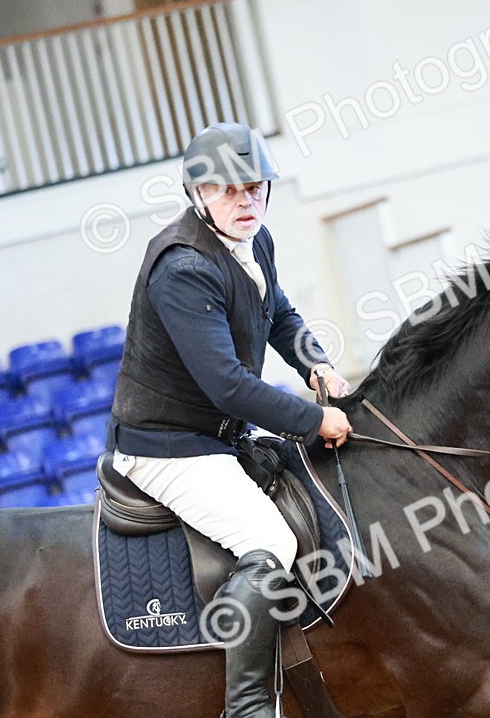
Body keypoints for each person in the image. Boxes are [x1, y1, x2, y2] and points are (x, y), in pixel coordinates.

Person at [106, 121, 352, 718]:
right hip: (168, 447)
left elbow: (280, 315)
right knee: (271, 540)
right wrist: (312, 420)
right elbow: (228, 385)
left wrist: (316, 365)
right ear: (199, 193)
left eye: (255, 187)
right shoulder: (182, 267)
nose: (246, 201)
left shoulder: (253, 240)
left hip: (219, 436)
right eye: (228, 190)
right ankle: (246, 707)